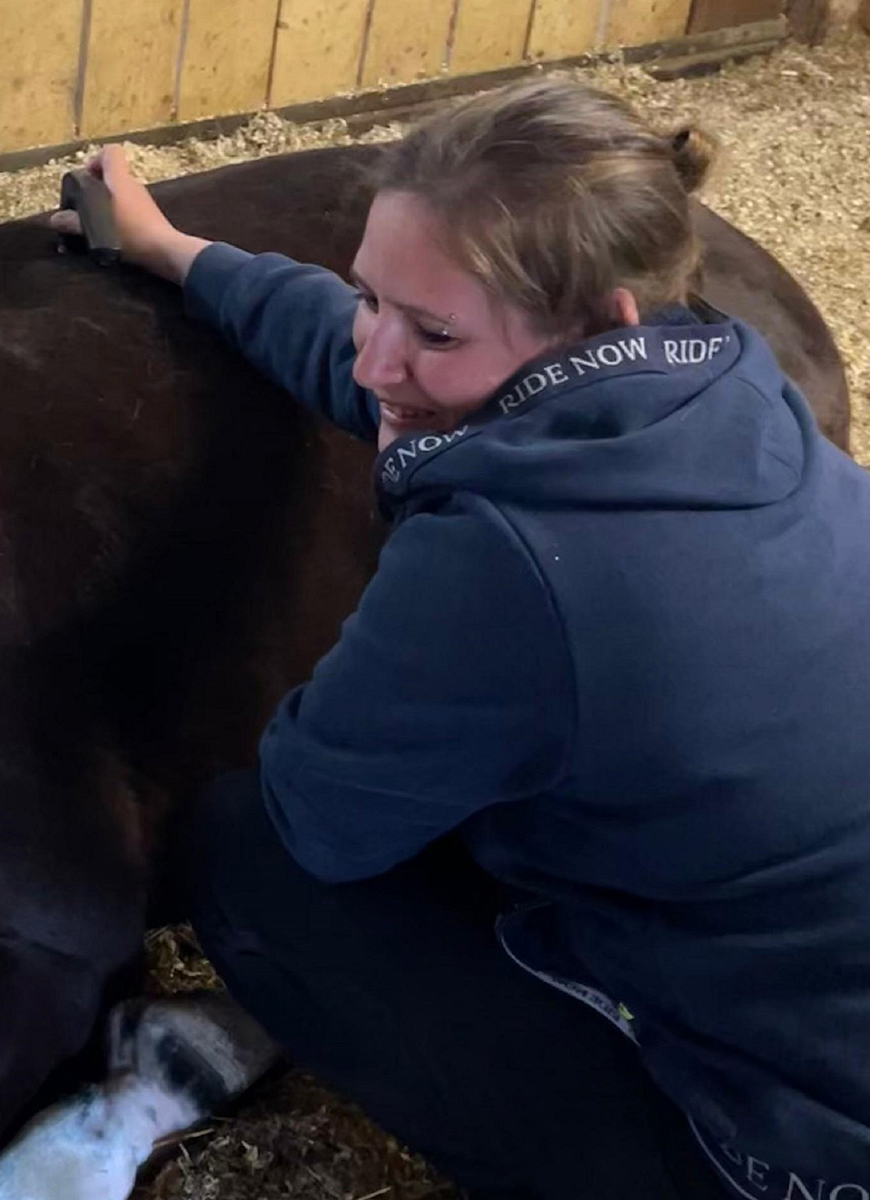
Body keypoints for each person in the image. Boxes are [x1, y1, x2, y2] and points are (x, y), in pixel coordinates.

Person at [51, 78, 870, 1199]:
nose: (374, 361)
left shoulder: (508, 562)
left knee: (246, 856)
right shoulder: (724, 382)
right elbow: (380, 362)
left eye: (431, 332)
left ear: (602, 323)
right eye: (371, 299)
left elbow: (320, 820)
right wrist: (176, 253)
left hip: (780, 1152)